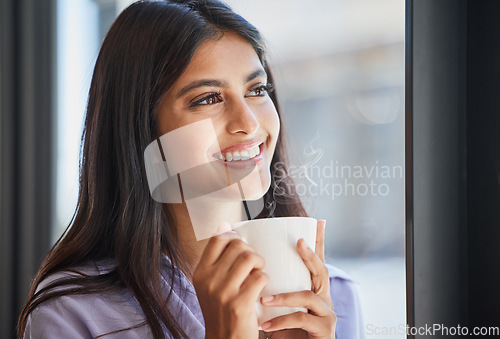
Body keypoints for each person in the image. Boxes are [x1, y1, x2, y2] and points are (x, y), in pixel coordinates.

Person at [18, 1, 364, 338]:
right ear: (143, 130)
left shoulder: (335, 299)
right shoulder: (74, 313)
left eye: (256, 90)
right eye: (208, 98)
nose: (249, 122)